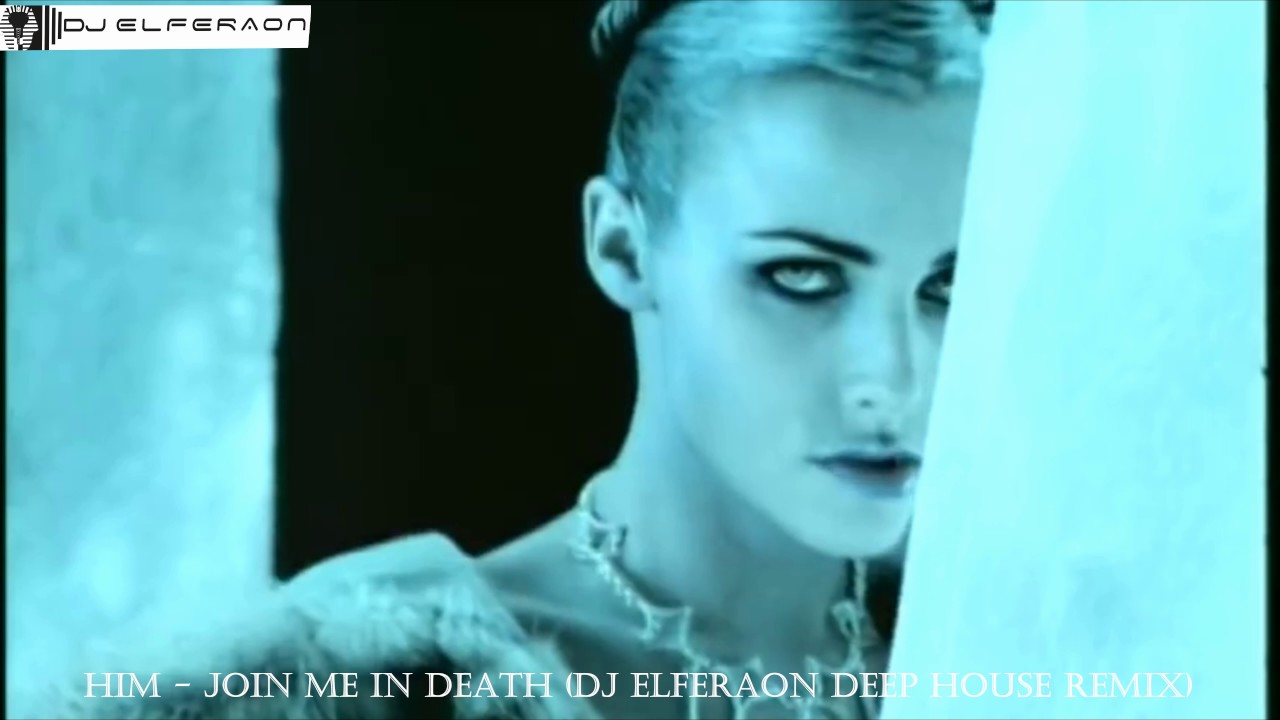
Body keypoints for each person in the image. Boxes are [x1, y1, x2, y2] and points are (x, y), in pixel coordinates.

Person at [45, 1, 991, 718]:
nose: (895, 378)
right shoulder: (363, 678)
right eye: (802, 277)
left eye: (949, 286)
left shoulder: (1013, 651)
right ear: (622, 248)